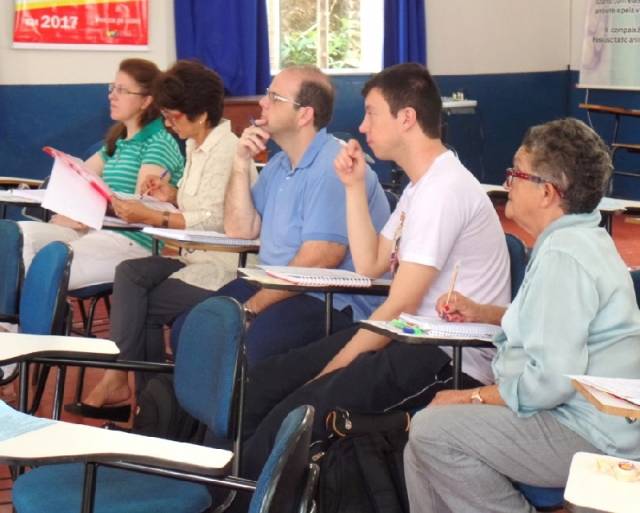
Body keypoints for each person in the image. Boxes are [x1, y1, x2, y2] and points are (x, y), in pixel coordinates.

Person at [238, 63, 511, 480]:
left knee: (302, 412)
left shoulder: (444, 190)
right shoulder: (421, 187)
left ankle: (245, 499)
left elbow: (399, 304)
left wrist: (334, 368)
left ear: (406, 118)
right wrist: (352, 186)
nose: (362, 127)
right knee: (264, 384)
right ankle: (231, 485)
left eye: (371, 114)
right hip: (407, 337)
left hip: (448, 356)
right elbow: (370, 264)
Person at [404, 118, 640, 513]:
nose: (507, 181)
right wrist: (485, 313)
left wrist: (471, 397)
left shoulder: (565, 255)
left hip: (590, 430)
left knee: (431, 431)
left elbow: (551, 382)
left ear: (547, 192)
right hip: (581, 418)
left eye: (516, 172)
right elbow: (555, 324)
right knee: (421, 454)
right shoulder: (579, 240)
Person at [171, 64, 390, 367]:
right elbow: (240, 229)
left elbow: (322, 257)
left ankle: (240, 414)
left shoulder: (332, 165)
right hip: (277, 284)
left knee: (249, 344)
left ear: (304, 115)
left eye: (274, 97)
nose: (262, 103)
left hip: (328, 298)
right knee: (189, 327)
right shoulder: (278, 165)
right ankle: (201, 414)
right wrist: (239, 162)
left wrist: (253, 307)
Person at [72, 61, 255, 417]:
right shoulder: (195, 145)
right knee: (130, 273)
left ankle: (141, 397)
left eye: (173, 116)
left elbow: (218, 223)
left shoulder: (228, 150)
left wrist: (154, 215)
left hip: (222, 264)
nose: (168, 123)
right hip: (193, 255)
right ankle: (134, 389)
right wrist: (170, 193)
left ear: (200, 115)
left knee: (142, 308)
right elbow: (199, 203)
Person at [18, 58, 184, 290]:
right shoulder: (116, 141)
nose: (112, 96)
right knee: (14, 241)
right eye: (112, 87)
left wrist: (83, 215)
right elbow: (78, 181)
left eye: (122, 90)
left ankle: (32, 322)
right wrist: (72, 213)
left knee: (45, 270)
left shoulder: (158, 143)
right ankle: (12, 324)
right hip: (95, 231)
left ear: (146, 100)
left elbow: (138, 209)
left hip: (131, 243)